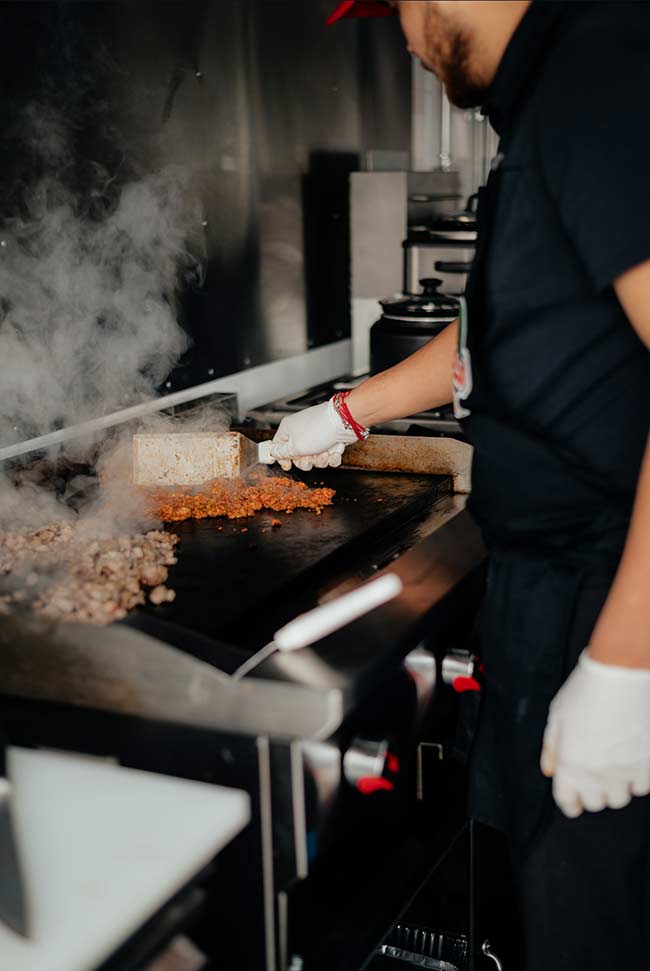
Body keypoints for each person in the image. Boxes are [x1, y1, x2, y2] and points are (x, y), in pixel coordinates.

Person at [270, 2, 650, 969]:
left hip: (610, 591)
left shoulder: (602, 74)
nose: (398, 35)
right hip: (549, 589)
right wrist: (349, 411)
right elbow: (502, 333)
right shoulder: (550, 99)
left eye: (394, 7)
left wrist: (626, 662)